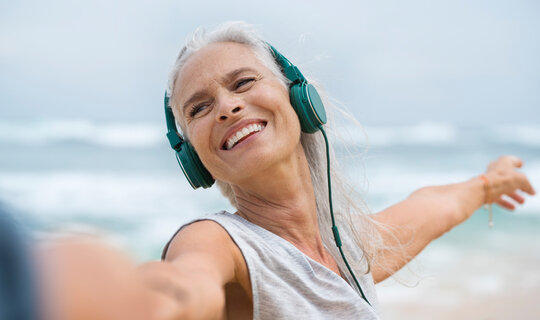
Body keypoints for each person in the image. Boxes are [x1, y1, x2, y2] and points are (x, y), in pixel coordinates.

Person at [158, 21, 536, 319]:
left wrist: (490, 184)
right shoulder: (217, 243)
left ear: (299, 98)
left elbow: (434, 206)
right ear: (193, 158)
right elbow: (182, 288)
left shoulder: (345, 249)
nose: (227, 106)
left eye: (243, 82)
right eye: (199, 109)